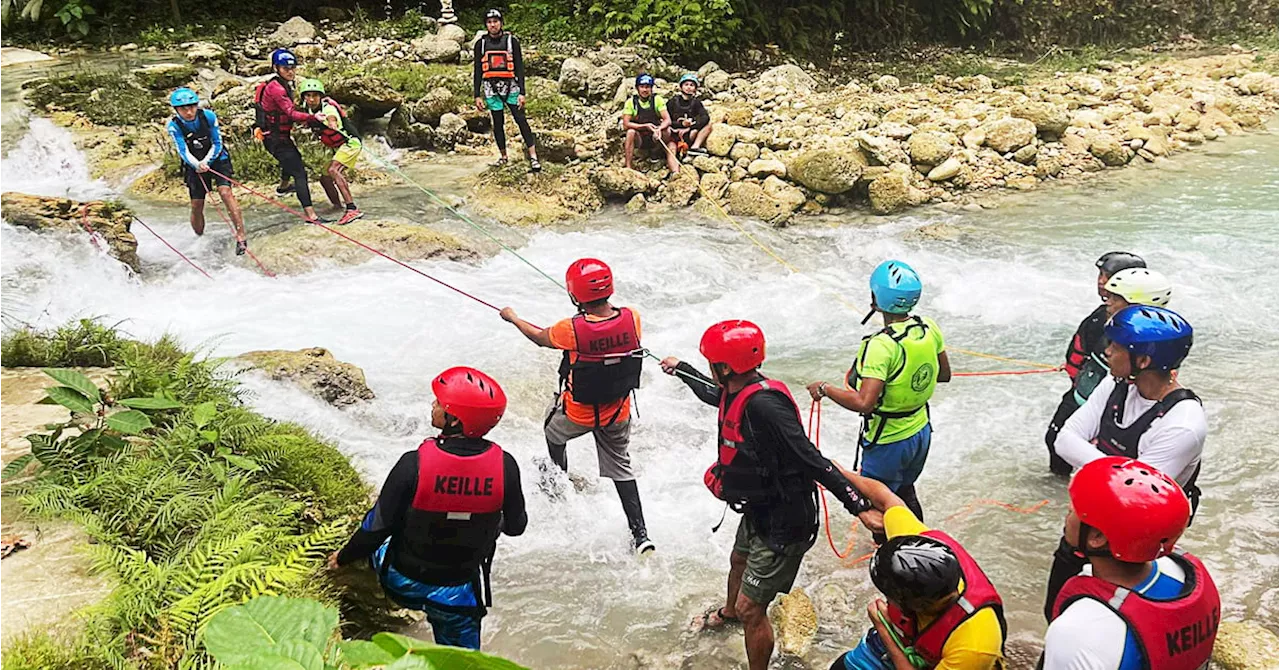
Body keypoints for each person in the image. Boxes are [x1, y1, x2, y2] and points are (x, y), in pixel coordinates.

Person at [659, 320, 876, 670]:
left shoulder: (766, 407)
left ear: (726, 367)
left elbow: (810, 459)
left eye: (712, 361)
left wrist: (858, 506)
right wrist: (683, 370)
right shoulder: (739, 387)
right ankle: (729, 613)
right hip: (759, 510)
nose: (711, 367)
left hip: (784, 520)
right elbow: (717, 396)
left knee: (752, 609)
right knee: (738, 562)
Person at [328, 366, 526, 650]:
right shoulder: (505, 466)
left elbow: (376, 528)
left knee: (377, 532)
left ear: (455, 419)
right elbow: (517, 527)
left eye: (439, 403)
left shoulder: (413, 463)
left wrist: (343, 558)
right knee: (465, 665)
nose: (433, 405)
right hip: (458, 594)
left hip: (401, 581)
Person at [1043, 304, 1204, 621]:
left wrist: (1098, 470)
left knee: (1112, 616)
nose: (1106, 350)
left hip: (1135, 539)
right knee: (1056, 609)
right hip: (1090, 519)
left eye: (1115, 346)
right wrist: (1119, 471)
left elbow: (1136, 500)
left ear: (1143, 361)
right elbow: (1064, 439)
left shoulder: (1182, 424)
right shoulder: (1117, 382)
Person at [498, 259, 652, 553]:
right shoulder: (633, 317)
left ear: (574, 295)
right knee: (621, 468)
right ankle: (641, 534)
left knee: (552, 433)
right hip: (617, 412)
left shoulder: (570, 329)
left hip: (578, 414)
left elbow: (540, 338)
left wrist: (513, 317)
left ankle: (557, 480)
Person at [806, 260, 949, 530]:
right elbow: (944, 374)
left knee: (879, 505)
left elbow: (864, 402)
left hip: (888, 440)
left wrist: (825, 389)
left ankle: (895, 560)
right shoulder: (928, 327)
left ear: (877, 298)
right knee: (905, 490)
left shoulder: (880, 346)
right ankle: (920, 543)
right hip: (920, 431)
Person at [1043, 457, 1220, 670]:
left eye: (1072, 510)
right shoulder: (1186, 574)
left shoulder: (1075, 631)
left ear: (1097, 537)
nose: (1067, 515)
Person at [828, 470, 1006, 670]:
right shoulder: (916, 546)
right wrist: (839, 472)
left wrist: (884, 629)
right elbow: (887, 499)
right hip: (905, 638)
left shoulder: (974, 645)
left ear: (910, 606)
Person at [1044, 252, 1147, 475]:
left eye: (1109, 276)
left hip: (1103, 402)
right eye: (1101, 274)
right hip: (1084, 394)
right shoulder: (1099, 318)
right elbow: (1078, 353)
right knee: (1055, 441)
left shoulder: (1138, 335)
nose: (1101, 281)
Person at [165, 87, 248, 255]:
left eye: (192, 107)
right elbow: (183, 151)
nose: (189, 112)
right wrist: (197, 164)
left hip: (217, 158)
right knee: (197, 205)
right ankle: (199, 237)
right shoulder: (174, 126)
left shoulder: (208, 116)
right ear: (176, 110)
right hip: (193, 162)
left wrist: (207, 161)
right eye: (183, 109)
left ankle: (241, 236)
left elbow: (217, 143)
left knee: (225, 193)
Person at [254, 48, 331, 224]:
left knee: (292, 158)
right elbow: (290, 113)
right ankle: (311, 215)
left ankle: (283, 187)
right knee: (300, 172)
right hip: (274, 138)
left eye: (292, 67)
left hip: (277, 136)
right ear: (276, 68)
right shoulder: (276, 89)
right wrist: (313, 118)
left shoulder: (281, 84)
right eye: (285, 68)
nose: (290, 71)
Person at [472, 9, 541, 172]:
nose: (493, 25)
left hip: (511, 87)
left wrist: (522, 92)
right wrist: (477, 95)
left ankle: (533, 157)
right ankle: (503, 157)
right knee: (498, 123)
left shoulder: (511, 41)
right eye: (489, 22)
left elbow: (519, 67)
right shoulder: (480, 44)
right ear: (486, 25)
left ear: (501, 23)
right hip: (491, 88)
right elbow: (477, 71)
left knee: (520, 119)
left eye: (495, 21)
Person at [298, 78, 364, 225]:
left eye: (315, 95)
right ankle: (337, 206)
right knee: (325, 177)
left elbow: (332, 117)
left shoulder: (328, 109)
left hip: (350, 143)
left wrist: (332, 123)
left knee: (334, 170)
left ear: (320, 96)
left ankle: (352, 209)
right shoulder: (308, 109)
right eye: (308, 95)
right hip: (338, 147)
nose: (311, 99)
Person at [623, 74, 679, 174]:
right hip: (641, 136)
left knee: (667, 130)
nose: (645, 90)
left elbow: (667, 120)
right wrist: (644, 126)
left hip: (656, 135)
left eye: (647, 87)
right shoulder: (631, 102)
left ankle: (656, 152)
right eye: (642, 87)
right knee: (630, 132)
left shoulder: (657, 100)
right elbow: (626, 124)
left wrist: (659, 129)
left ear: (651, 88)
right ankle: (628, 166)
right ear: (637, 88)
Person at [666, 73, 712, 157]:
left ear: (695, 89)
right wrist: (680, 124)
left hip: (689, 132)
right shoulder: (672, 102)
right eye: (686, 84)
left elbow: (705, 117)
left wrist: (690, 127)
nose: (688, 87)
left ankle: (695, 147)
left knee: (708, 126)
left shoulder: (696, 103)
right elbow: (665, 119)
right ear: (681, 87)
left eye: (691, 85)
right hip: (674, 132)